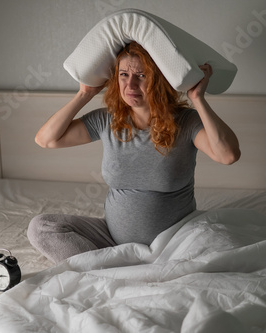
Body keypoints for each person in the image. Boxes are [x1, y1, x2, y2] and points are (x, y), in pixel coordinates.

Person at [28, 42, 240, 263]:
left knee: (219, 251)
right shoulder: (107, 120)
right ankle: (109, 269)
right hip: (113, 240)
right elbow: (46, 139)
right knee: (41, 228)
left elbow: (228, 155)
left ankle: (105, 270)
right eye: (124, 74)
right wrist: (84, 94)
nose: (130, 84)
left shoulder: (186, 122)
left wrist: (198, 100)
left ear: (159, 80)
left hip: (174, 245)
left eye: (141, 75)